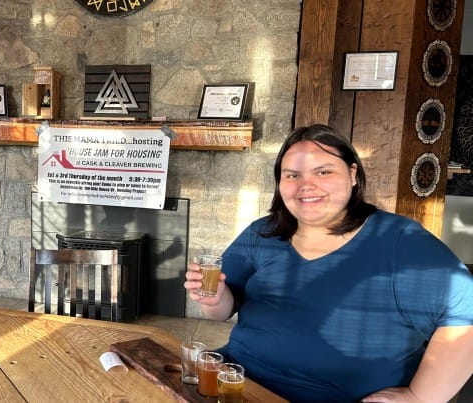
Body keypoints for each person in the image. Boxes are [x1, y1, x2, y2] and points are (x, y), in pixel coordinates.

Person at [184, 124, 473, 402]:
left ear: (353, 174)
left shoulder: (399, 242)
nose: (306, 186)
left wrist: (420, 397)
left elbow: (466, 313)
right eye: (292, 175)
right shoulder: (264, 232)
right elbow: (222, 312)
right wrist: (215, 297)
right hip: (237, 384)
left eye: (323, 172)